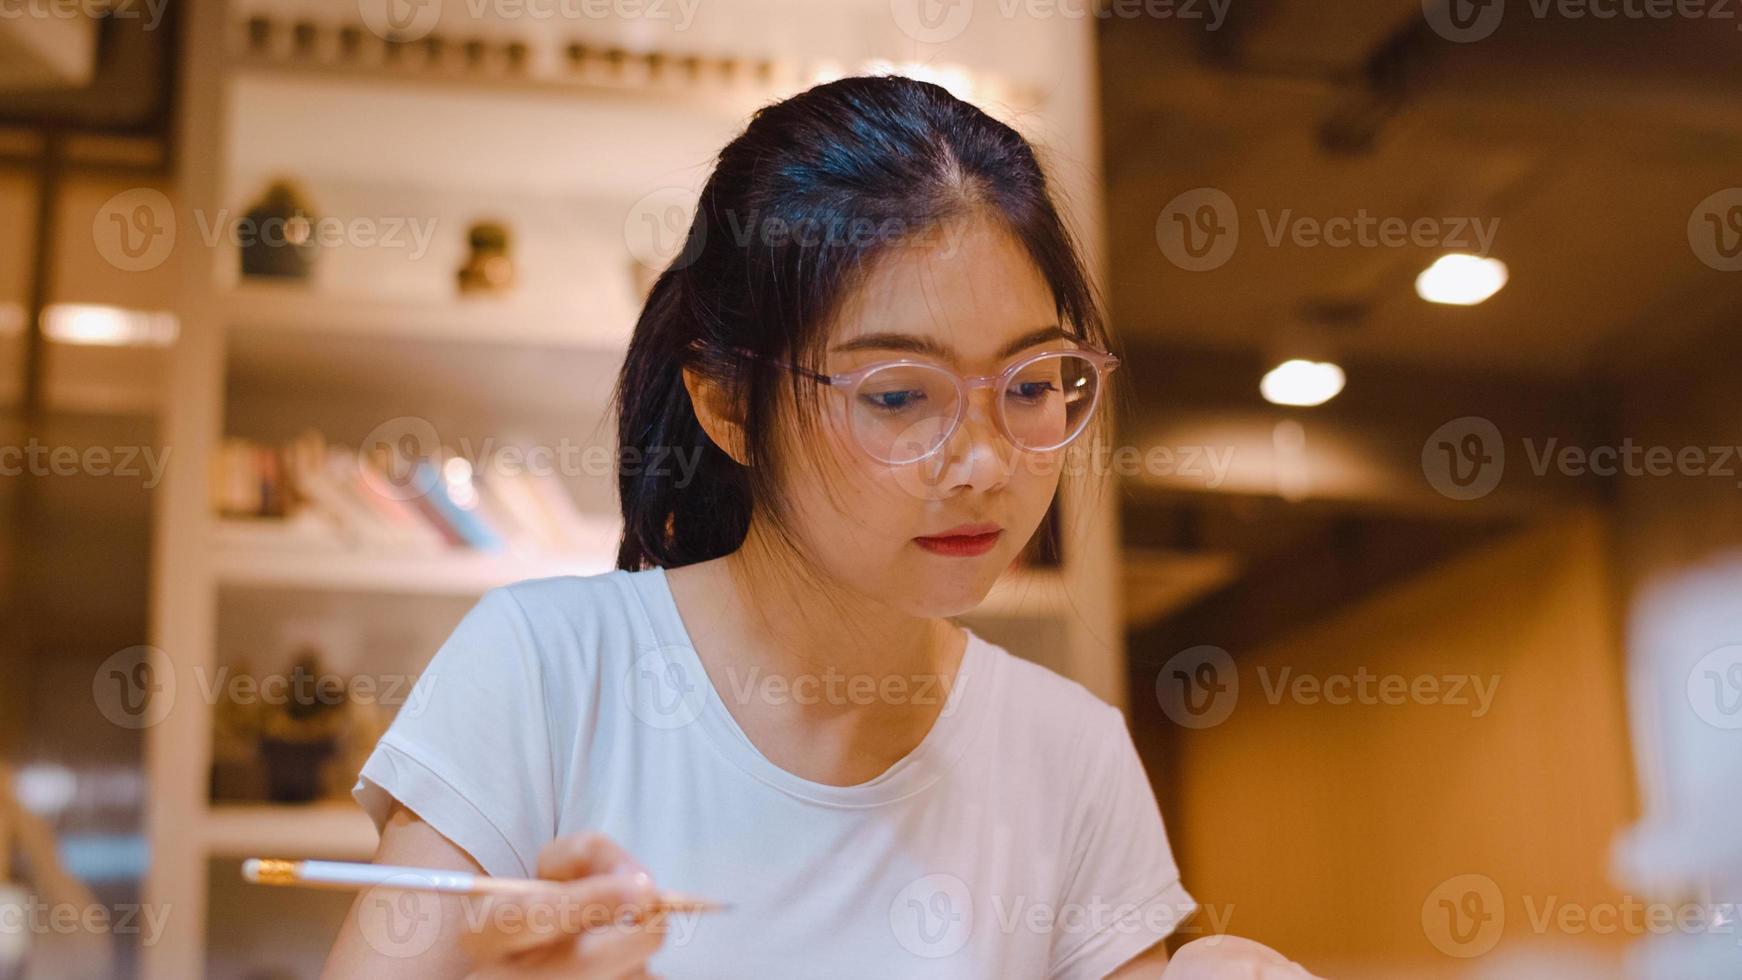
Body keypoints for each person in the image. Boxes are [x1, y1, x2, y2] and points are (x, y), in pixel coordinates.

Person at [322, 74, 1314, 979]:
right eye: (895, 396)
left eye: (1028, 383)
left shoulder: (1070, 753)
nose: (984, 462)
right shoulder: (540, 671)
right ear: (725, 405)